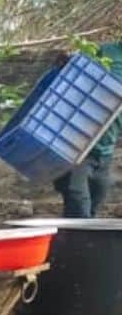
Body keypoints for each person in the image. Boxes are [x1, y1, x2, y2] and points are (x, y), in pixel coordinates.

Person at [55, 40, 122, 218]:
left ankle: (71, 244)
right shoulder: (104, 52)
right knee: (79, 209)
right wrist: (67, 61)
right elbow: (73, 69)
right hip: (77, 147)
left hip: (105, 150)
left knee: (94, 206)